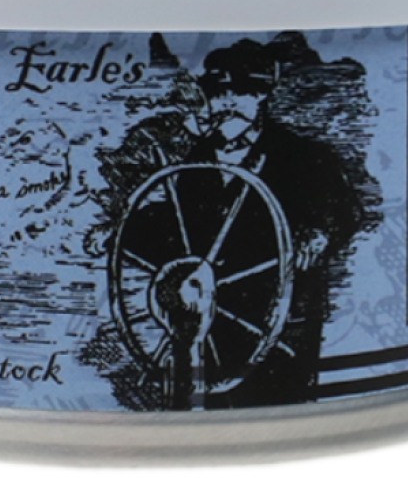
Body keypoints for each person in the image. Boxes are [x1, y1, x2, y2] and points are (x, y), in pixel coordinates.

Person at [89, 37, 375, 409]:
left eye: (238, 94)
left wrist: (319, 234)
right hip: (212, 313)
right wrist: (121, 233)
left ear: (262, 96)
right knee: (210, 405)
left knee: (278, 408)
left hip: (281, 313)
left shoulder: (303, 156)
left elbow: (345, 211)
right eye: (217, 94)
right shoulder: (197, 162)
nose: (225, 104)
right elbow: (177, 225)